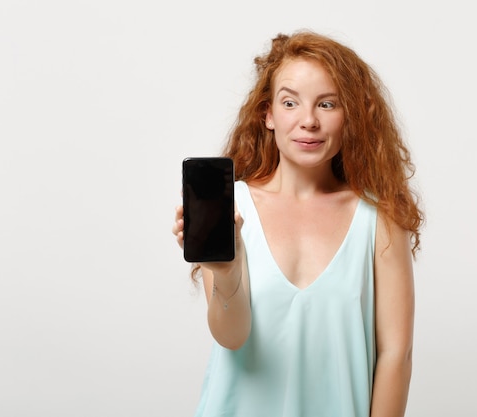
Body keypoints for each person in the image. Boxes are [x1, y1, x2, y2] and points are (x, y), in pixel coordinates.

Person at [172, 30, 423, 417]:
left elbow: (396, 354)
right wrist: (226, 269)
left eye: (327, 104)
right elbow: (232, 336)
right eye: (290, 102)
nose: (309, 121)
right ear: (268, 114)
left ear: (349, 116)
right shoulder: (233, 207)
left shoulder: (380, 219)